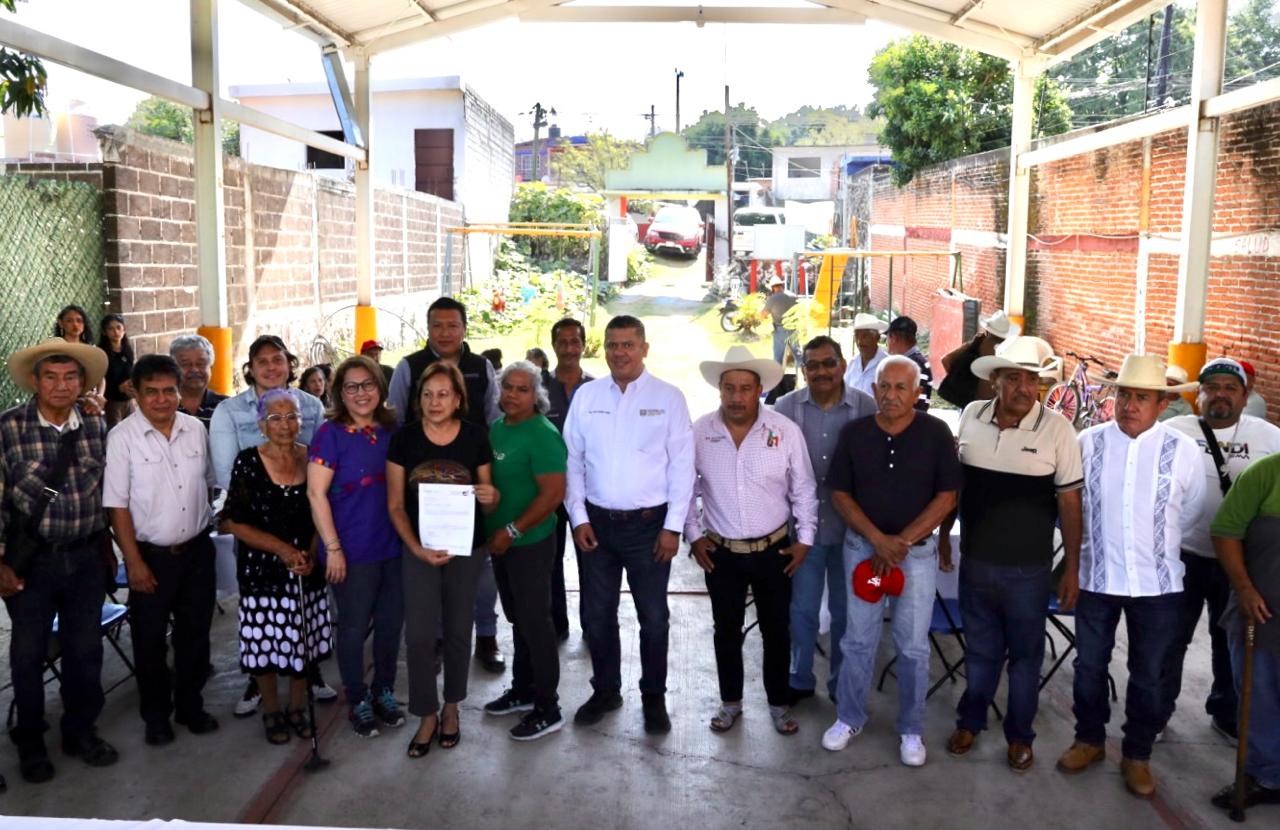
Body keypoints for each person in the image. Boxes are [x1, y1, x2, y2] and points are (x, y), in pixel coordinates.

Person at [1056, 355, 1204, 799]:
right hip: (1098, 579)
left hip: (1157, 586)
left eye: (1141, 397)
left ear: (1162, 404)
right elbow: (1072, 505)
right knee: (1088, 667)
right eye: (1123, 394)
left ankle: (1137, 755)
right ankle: (1089, 741)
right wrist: (1073, 569)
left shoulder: (1183, 451)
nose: (1129, 404)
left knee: (1149, 674)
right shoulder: (1088, 442)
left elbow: (1192, 513)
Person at [938, 336, 1083, 772]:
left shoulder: (1058, 429)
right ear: (994, 381)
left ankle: (1020, 736)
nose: (1024, 388)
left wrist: (1072, 568)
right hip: (977, 563)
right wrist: (946, 533)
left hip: (1029, 571)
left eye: (1032, 379)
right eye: (1013, 378)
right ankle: (970, 722)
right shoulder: (970, 416)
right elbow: (957, 486)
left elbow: (1070, 504)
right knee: (980, 651)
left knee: (1025, 658)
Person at [822, 355, 960, 767]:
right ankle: (849, 717)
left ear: (918, 392)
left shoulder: (935, 433)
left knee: (913, 646)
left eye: (902, 387)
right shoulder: (855, 433)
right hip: (862, 549)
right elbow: (840, 494)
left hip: (914, 554)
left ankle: (911, 728)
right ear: (874, 388)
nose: (891, 395)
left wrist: (901, 541)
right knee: (857, 639)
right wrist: (878, 539)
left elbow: (947, 496)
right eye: (884, 386)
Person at [564, 314, 694, 734]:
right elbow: (573, 462)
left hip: (649, 528)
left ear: (644, 349)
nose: (620, 352)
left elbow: (682, 467)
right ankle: (605, 690)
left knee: (653, 617)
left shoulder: (669, 397)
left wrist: (673, 527)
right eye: (613, 345)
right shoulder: (587, 396)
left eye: (628, 344)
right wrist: (579, 517)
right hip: (597, 527)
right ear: (604, 349)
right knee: (596, 615)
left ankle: (653, 697)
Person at [0, 337, 118, 783]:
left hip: (86, 557)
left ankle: (80, 731)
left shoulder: (96, 425)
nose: (61, 385)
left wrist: (107, 547)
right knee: (27, 657)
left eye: (71, 377)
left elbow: (106, 492)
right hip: (32, 564)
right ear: (35, 381)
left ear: (83, 383)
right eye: (51, 376)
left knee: (85, 652)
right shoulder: (8, 427)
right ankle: (30, 740)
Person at [686, 346, 817, 735]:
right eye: (729, 388)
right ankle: (731, 703)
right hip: (721, 553)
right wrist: (693, 535)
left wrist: (805, 540)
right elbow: (683, 488)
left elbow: (804, 489)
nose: (736, 396)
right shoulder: (700, 431)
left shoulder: (784, 431)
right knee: (725, 631)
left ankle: (778, 706)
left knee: (776, 631)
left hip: (774, 551)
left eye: (745, 388)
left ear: (759, 389)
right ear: (720, 390)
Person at [209, 334, 333, 715]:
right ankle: (261, 691)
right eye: (262, 361)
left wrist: (310, 543)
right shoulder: (230, 413)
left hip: (304, 524)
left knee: (302, 622)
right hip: (260, 525)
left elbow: (318, 472)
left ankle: (305, 681)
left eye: (278, 359)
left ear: (289, 364)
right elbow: (233, 489)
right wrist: (275, 538)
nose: (271, 367)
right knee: (264, 629)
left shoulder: (311, 406)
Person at [104, 354, 219, 746]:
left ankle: (190, 706)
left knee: (195, 636)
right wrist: (133, 562)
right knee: (149, 642)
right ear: (135, 392)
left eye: (168, 390)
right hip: (149, 557)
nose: (161, 399)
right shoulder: (121, 439)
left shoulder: (194, 429)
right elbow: (116, 505)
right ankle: (156, 716)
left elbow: (207, 482)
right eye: (151, 392)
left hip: (197, 551)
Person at [1163, 358, 1280, 741]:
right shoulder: (1173, 431)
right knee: (1170, 638)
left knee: (1228, 639)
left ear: (1245, 397)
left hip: (1239, 564)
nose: (1220, 395)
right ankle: (1158, 712)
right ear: (1199, 395)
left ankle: (1226, 712)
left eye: (1230, 388)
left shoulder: (1269, 437)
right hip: (1182, 554)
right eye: (1211, 387)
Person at [387, 297, 505, 673]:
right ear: (429, 328)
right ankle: (437, 638)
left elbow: (494, 418)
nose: (445, 332)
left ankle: (486, 635)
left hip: (470, 483)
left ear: (464, 328)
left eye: (453, 325)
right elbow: (395, 419)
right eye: (438, 325)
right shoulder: (409, 367)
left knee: (479, 568)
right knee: (429, 563)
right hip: (423, 488)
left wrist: (488, 479)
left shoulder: (480, 367)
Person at [387, 363, 499, 756]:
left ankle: (452, 707)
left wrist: (490, 497)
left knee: (457, 629)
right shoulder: (404, 441)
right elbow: (396, 505)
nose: (435, 401)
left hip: (465, 549)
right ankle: (426, 713)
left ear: (457, 399)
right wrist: (416, 549)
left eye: (443, 394)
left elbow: (489, 494)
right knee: (418, 636)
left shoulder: (475, 437)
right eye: (427, 394)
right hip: (418, 549)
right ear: (418, 399)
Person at [774, 335, 877, 705]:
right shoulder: (784, 408)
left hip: (853, 532)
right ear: (804, 370)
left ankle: (839, 683)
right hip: (801, 533)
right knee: (801, 610)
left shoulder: (867, 407)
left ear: (842, 364)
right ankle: (800, 678)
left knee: (846, 613)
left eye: (828, 363)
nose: (821, 372)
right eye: (813, 365)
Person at [307, 356, 405, 739]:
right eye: (351, 386)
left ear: (380, 388)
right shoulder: (330, 435)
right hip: (350, 549)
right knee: (351, 627)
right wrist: (332, 548)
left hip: (394, 545)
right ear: (339, 392)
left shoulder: (392, 430)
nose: (361, 393)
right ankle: (358, 697)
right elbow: (316, 494)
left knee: (390, 624)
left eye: (368, 384)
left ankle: (384, 689)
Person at [482, 362, 568, 741]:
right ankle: (523, 690)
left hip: (529, 543)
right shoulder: (498, 428)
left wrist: (513, 529)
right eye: (508, 388)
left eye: (522, 389)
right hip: (501, 543)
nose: (513, 395)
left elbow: (553, 495)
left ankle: (548, 707)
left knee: (536, 623)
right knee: (518, 619)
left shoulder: (543, 434)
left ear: (537, 396)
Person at [1208, 449, 1280, 811]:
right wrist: (1245, 589)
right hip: (1261, 614)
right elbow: (1225, 531)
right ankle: (1264, 775)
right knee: (1259, 699)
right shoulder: (1267, 472)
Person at [544, 317, 594, 641]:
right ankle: (556, 624)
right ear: (554, 346)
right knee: (549, 562)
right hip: (546, 491)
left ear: (583, 345)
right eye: (562, 342)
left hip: (586, 492)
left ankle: (592, 625)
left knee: (590, 561)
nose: (568, 348)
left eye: (574, 341)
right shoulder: (538, 388)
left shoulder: (596, 389)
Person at [936, 310, 1021, 408]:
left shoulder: (976, 344)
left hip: (972, 401)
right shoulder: (1009, 351)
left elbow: (946, 360)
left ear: (987, 330)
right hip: (995, 403)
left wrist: (960, 380)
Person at [170, 334, 227, 429]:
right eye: (186, 364)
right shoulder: (164, 406)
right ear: (173, 369)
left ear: (211, 367)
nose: (194, 369)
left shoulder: (226, 406)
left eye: (200, 364)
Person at [886, 316, 932, 412]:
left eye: (887, 338)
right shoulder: (919, 361)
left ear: (893, 338)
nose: (887, 343)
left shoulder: (912, 365)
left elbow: (917, 404)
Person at [97, 313, 135, 429]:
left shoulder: (127, 350)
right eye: (111, 329)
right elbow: (101, 378)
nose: (116, 332)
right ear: (104, 332)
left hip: (128, 400)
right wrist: (118, 388)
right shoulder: (101, 353)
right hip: (112, 402)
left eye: (118, 327)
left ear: (124, 330)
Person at [841, 313, 888, 399]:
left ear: (877, 337)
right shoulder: (853, 363)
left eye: (865, 336)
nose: (859, 341)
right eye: (857, 336)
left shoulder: (887, 364)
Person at [762, 275, 800, 368]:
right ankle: (804, 377)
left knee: (778, 357)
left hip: (780, 329)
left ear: (772, 287)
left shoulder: (772, 299)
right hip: (794, 328)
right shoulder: (793, 296)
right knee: (798, 355)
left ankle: (777, 379)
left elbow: (764, 315)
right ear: (782, 285)